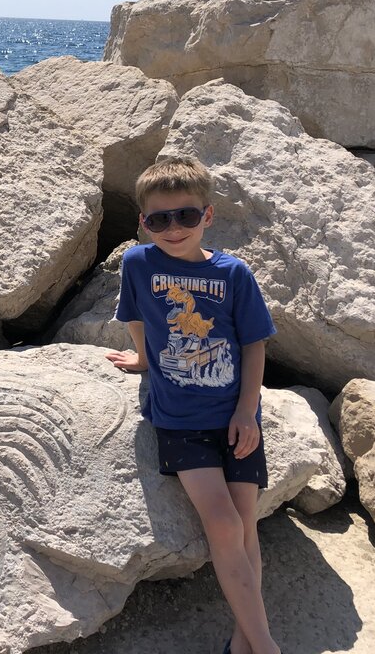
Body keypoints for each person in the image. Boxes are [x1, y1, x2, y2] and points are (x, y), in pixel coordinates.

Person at [105, 157, 281, 654]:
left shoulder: (233, 273)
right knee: (223, 523)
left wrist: (248, 411)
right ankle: (266, 647)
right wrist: (143, 359)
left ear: (207, 215)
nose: (172, 229)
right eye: (158, 219)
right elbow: (135, 314)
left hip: (236, 419)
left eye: (184, 216)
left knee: (245, 527)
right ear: (143, 223)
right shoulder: (139, 262)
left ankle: (243, 644)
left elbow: (254, 344)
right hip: (179, 419)